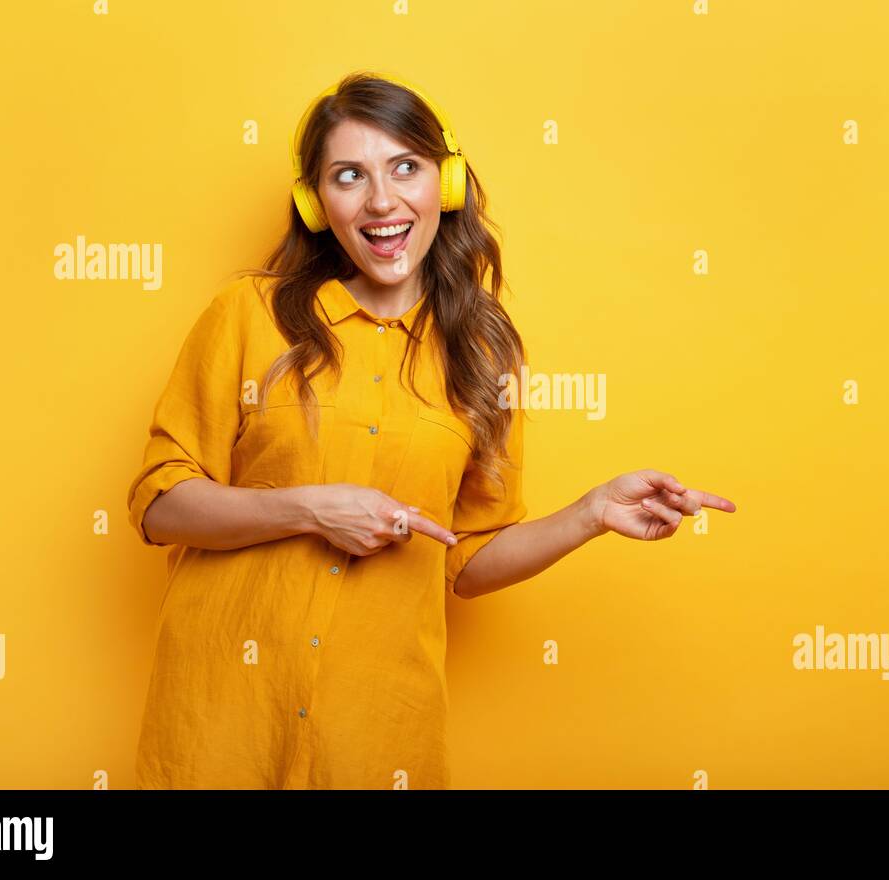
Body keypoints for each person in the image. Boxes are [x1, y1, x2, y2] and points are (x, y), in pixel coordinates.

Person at [126, 70, 737, 789]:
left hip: (377, 735)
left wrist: (592, 512)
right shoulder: (247, 315)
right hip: (220, 727)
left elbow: (466, 560)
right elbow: (158, 505)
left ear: (443, 186)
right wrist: (309, 509)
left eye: (405, 168)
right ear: (317, 203)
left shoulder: (482, 354)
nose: (382, 201)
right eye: (348, 175)